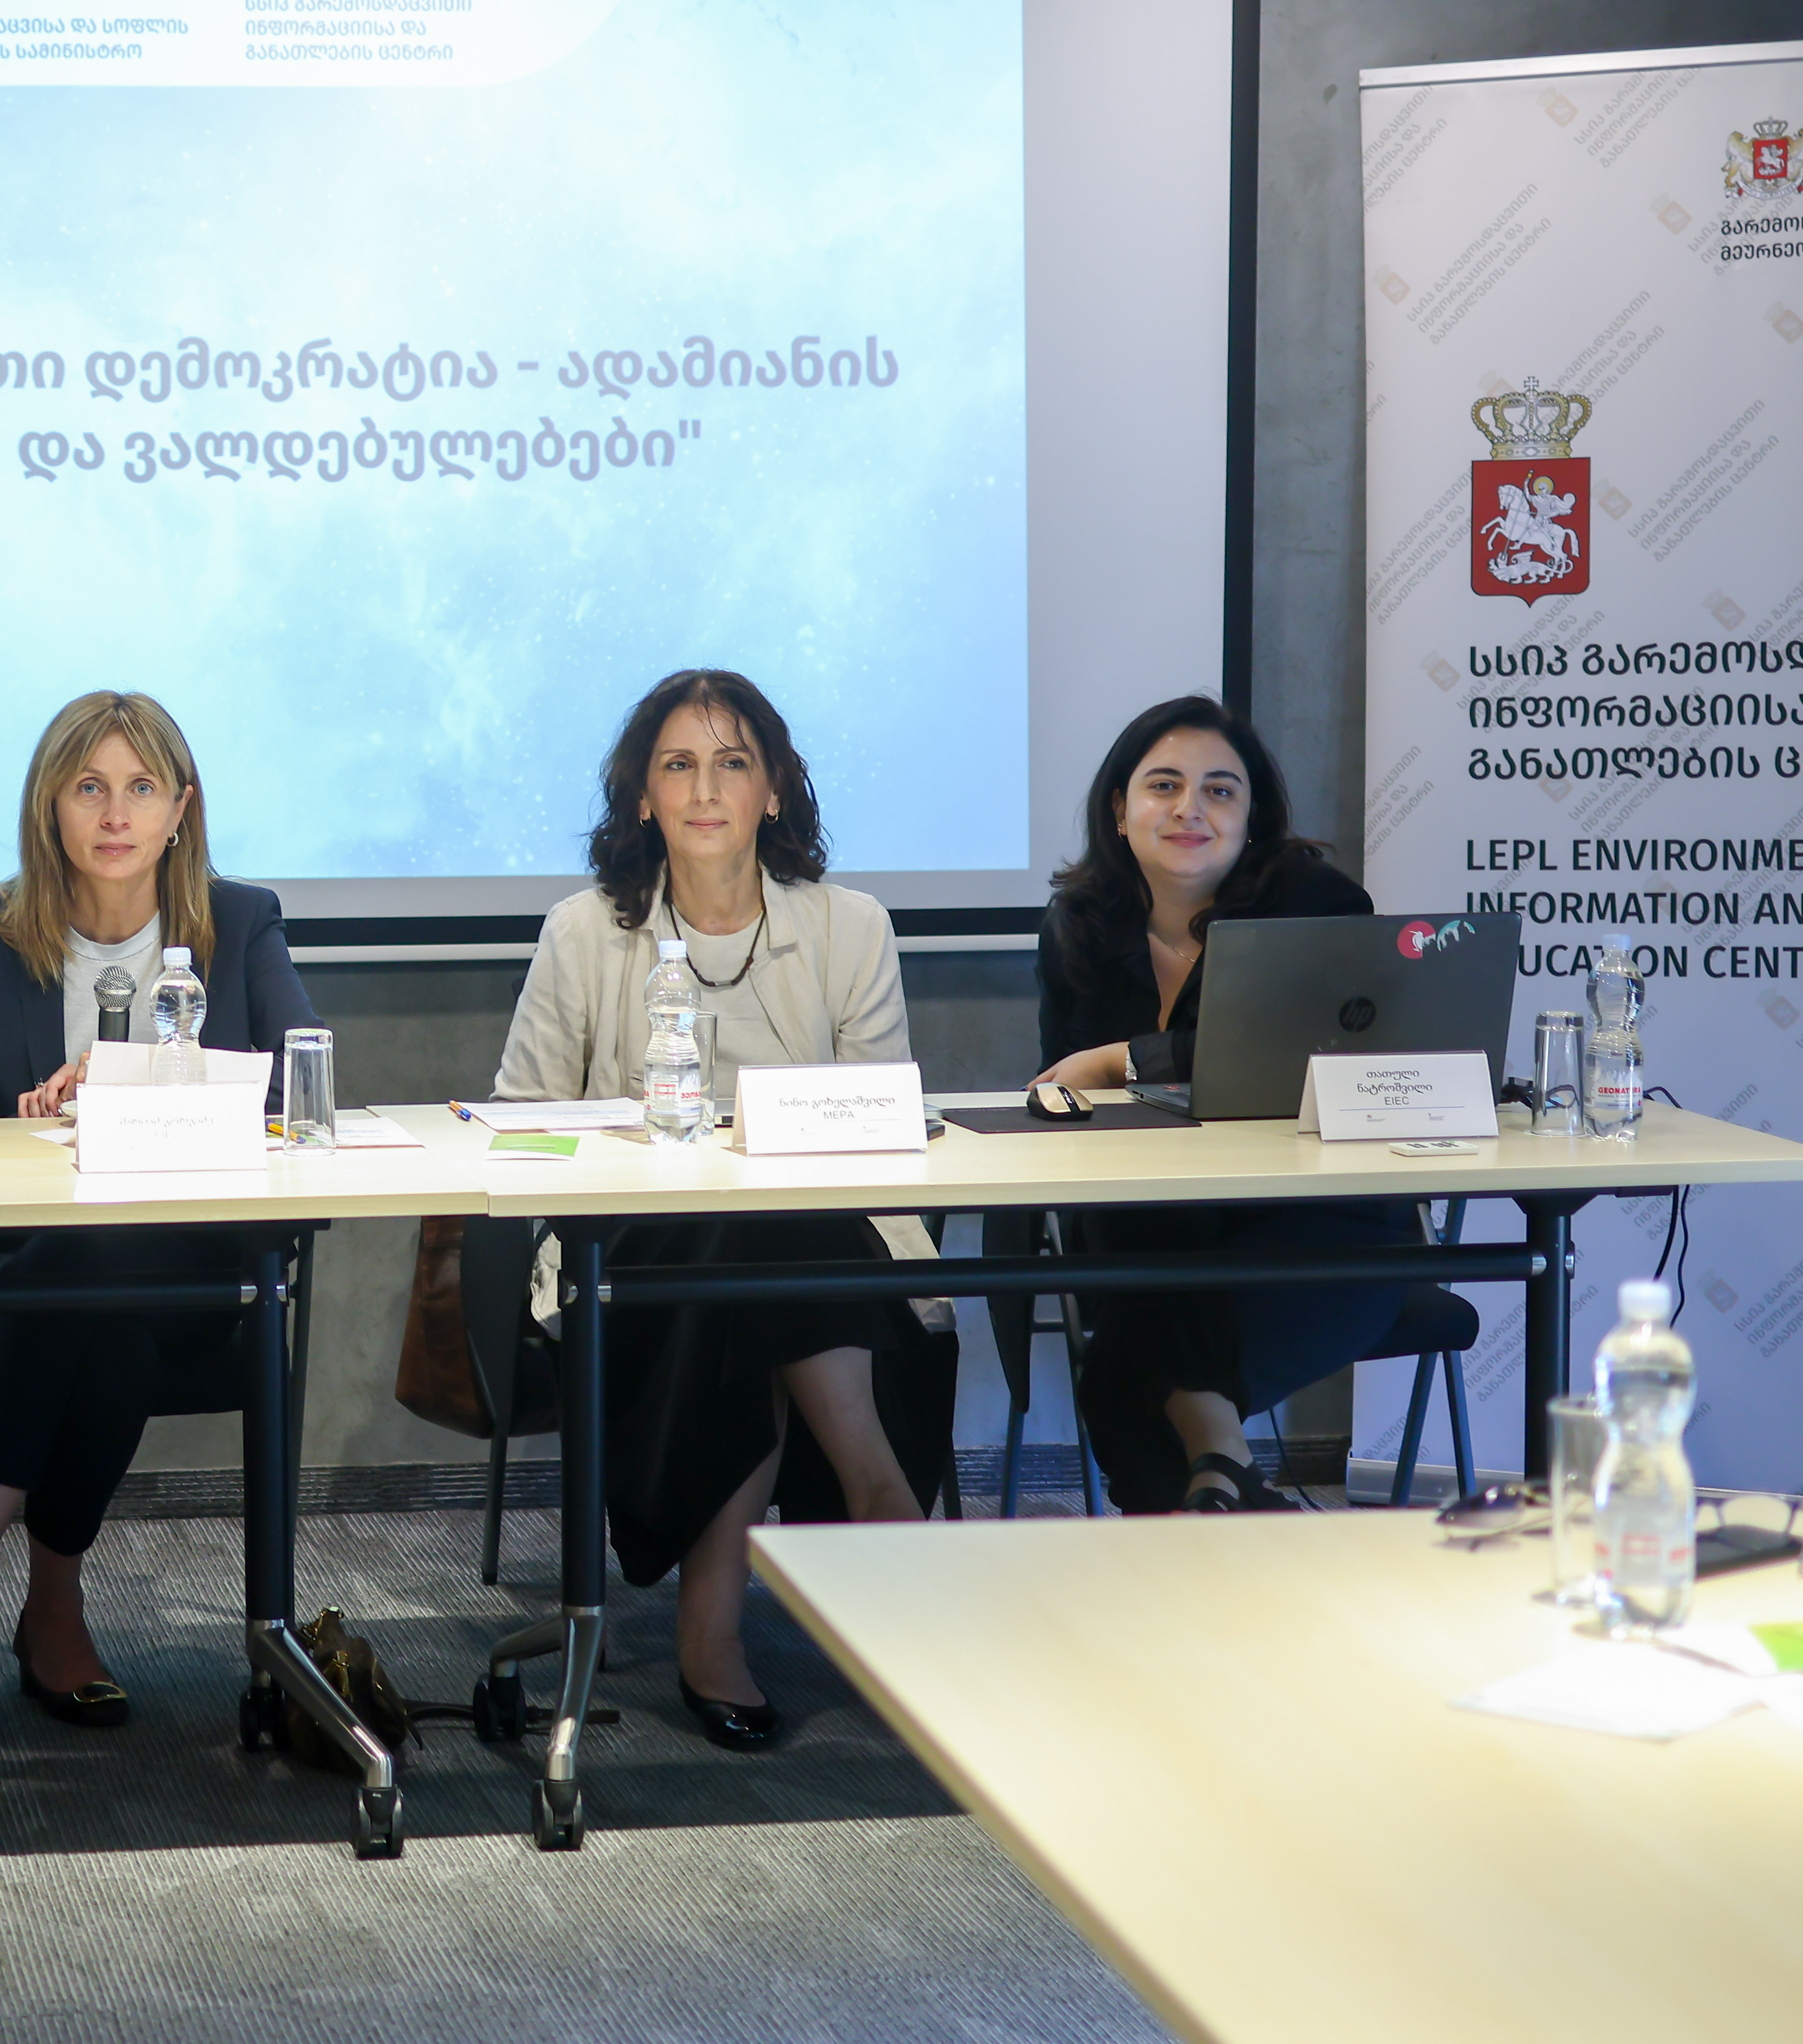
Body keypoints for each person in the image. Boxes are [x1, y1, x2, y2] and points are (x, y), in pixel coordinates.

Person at [494, 668, 944, 1750]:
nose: (705, 789)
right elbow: (519, 1124)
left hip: (827, 1241)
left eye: (733, 763)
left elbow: (884, 1129)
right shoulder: (583, 931)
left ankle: (715, 1615)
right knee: (741, 1243)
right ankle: (879, 1496)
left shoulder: (850, 927)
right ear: (642, 796)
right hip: (631, 1256)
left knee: (768, 1237)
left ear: (773, 790)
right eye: (679, 765)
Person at [0, 690, 317, 1729]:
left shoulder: (241, 922)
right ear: (51, 805)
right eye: (89, 788)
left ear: (181, 810)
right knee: (103, 1318)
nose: (116, 814)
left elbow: (301, 1087)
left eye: (140, 788)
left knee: (104, 1299)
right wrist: (40, 1123)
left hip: (190, 1269)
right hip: (14, 1265)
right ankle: (50, 1613)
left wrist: (135, 1082)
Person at [1031, 693, 1407, 1513]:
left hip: (1315, 1234)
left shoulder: (1316, 907)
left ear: (1252, 814)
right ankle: (1227, 1474)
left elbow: (1282, 1062)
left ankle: (1208, 1515)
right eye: (1164, 785)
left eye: (1220, 790)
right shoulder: (1080, 926)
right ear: (1120, 810)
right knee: (1137, 1264)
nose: (1190, 809)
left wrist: (1122, 1059)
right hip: (1148, 1232)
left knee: (1122, 1381)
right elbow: (1062, 1095)